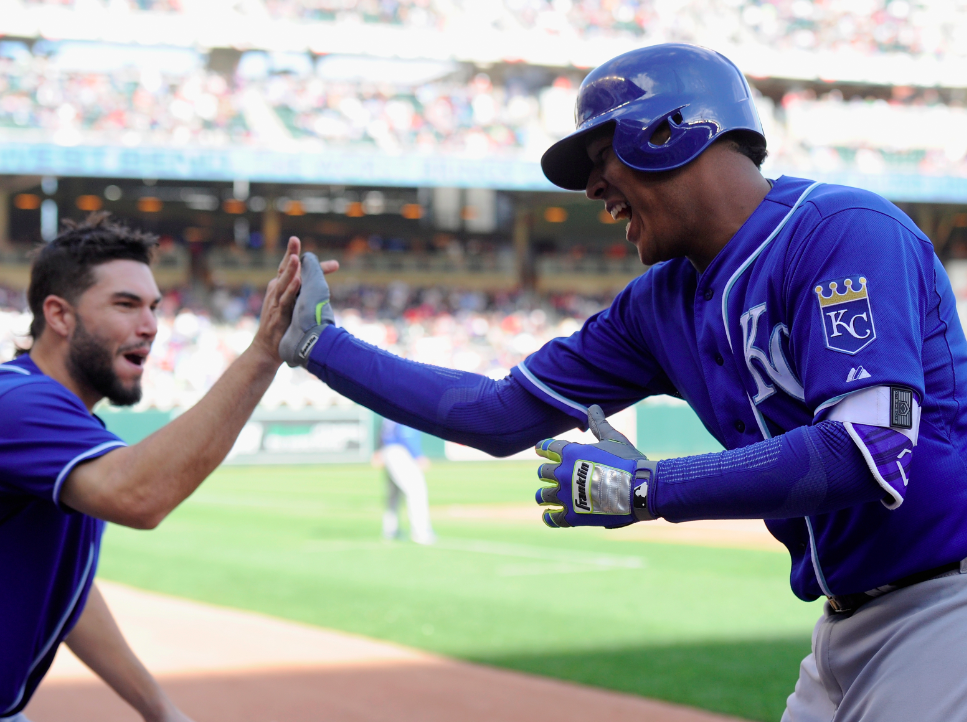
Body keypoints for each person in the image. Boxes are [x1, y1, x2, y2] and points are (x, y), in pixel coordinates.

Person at [277, 44, 967, 720]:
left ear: (670, 132)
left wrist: (648, 488)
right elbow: (496, 415)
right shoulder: (659, 304)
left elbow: (865, 449)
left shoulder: (841, 231)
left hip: (945, 604)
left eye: (601, 156)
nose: (591, 188)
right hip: (846, 626)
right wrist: (319, 346)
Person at [0, 214, 321, 722]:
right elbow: (139, 495)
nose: (150, 325)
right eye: (125, 304)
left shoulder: (32, 404)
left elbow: (64, 587)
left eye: (154, 306)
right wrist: (265, 351)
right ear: (59, 315)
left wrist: (159, 709)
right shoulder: (17, 405)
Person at [375, 419, 436, 545]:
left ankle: (390, 530)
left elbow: (382, 431)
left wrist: (379, 450)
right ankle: (421, 532)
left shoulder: (391, 409)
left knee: (394, 494)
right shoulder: (409, 408)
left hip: (389, 449)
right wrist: (417, 455)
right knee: (416, 491)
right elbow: (406, 434)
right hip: (401, 452)